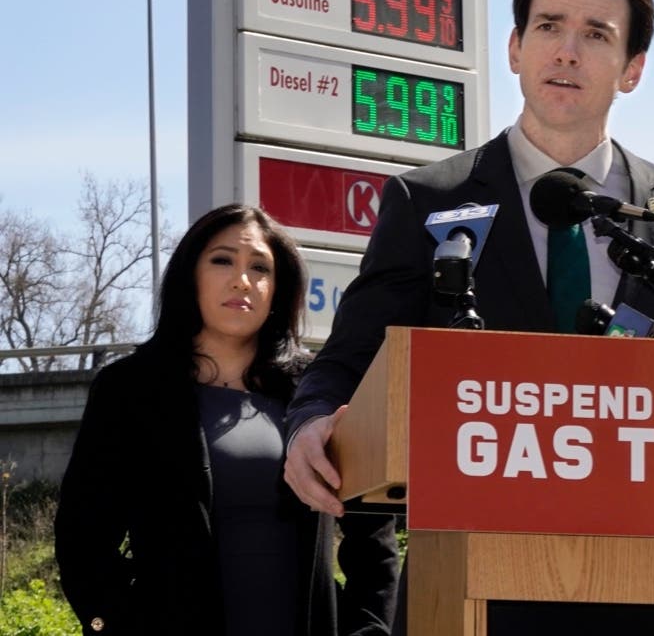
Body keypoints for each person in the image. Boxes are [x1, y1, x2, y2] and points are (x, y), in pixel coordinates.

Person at [284, 0, 654, 634]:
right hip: (469, 593)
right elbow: (345, 362)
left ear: (632, 69)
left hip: (650, 592)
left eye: (595, 35)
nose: (566, 51)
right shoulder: (427, 200)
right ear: (515, 48)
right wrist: (310, 420)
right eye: (549, 27)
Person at [55, 204, 399, 636]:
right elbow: (83, 539)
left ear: (278, 289)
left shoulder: (318, 394)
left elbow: (374, 544)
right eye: (222, 260)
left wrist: (369, 630)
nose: (243, 280)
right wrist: (117, 623)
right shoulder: (129, 389)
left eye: (260, 267)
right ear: (190, 276)